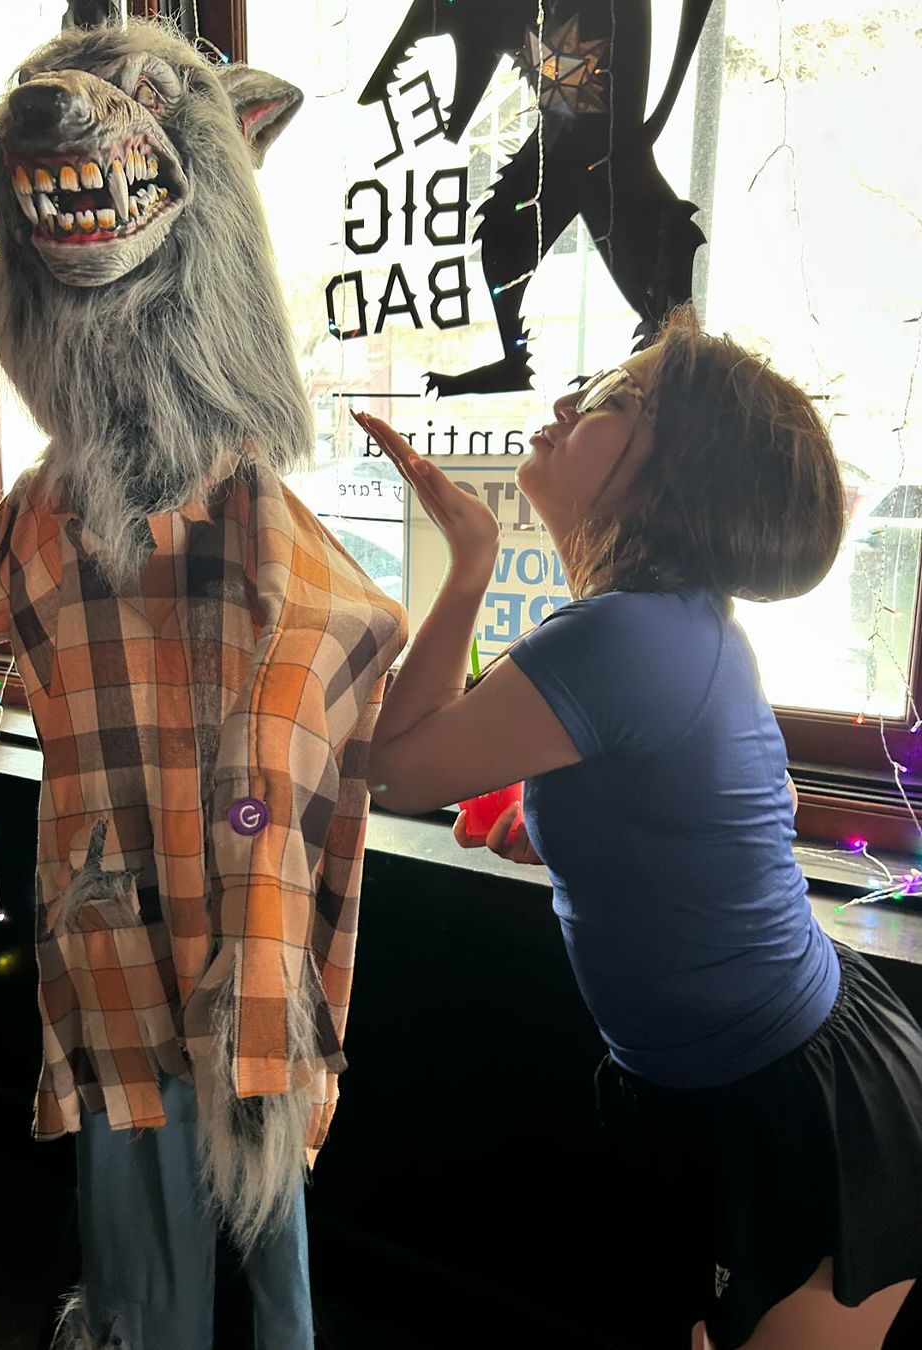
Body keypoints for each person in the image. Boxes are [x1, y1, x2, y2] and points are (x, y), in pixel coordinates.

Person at [353, 310, 922, 1350]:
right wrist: (565, 822)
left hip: (787, 1100)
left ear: (672, 477)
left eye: (616, 396)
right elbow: (711, 801)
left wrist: (470, 560)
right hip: (741, 1072)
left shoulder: (619, 634)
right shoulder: (674, 621)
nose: (568, 400)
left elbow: (392, 773)